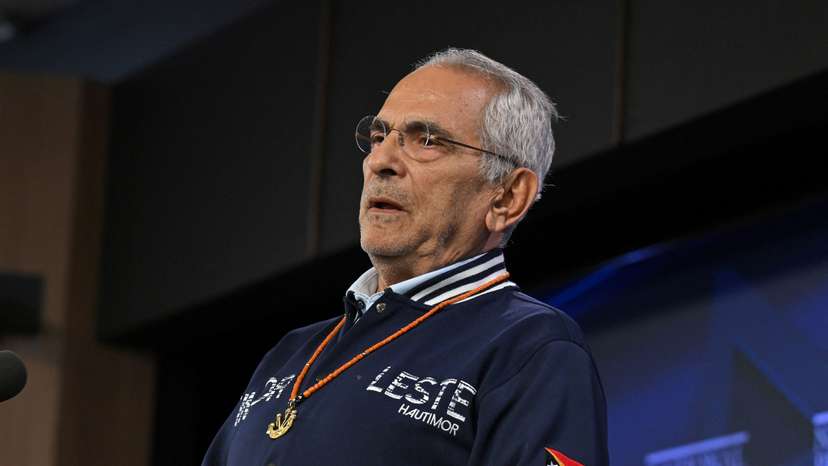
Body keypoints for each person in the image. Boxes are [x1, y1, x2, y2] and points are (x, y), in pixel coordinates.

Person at [202, 48, 608, 466]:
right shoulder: (290, 353)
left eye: (427, 140)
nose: (380, 161)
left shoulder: (531, 347)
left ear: (507, 196)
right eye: (379, 137)